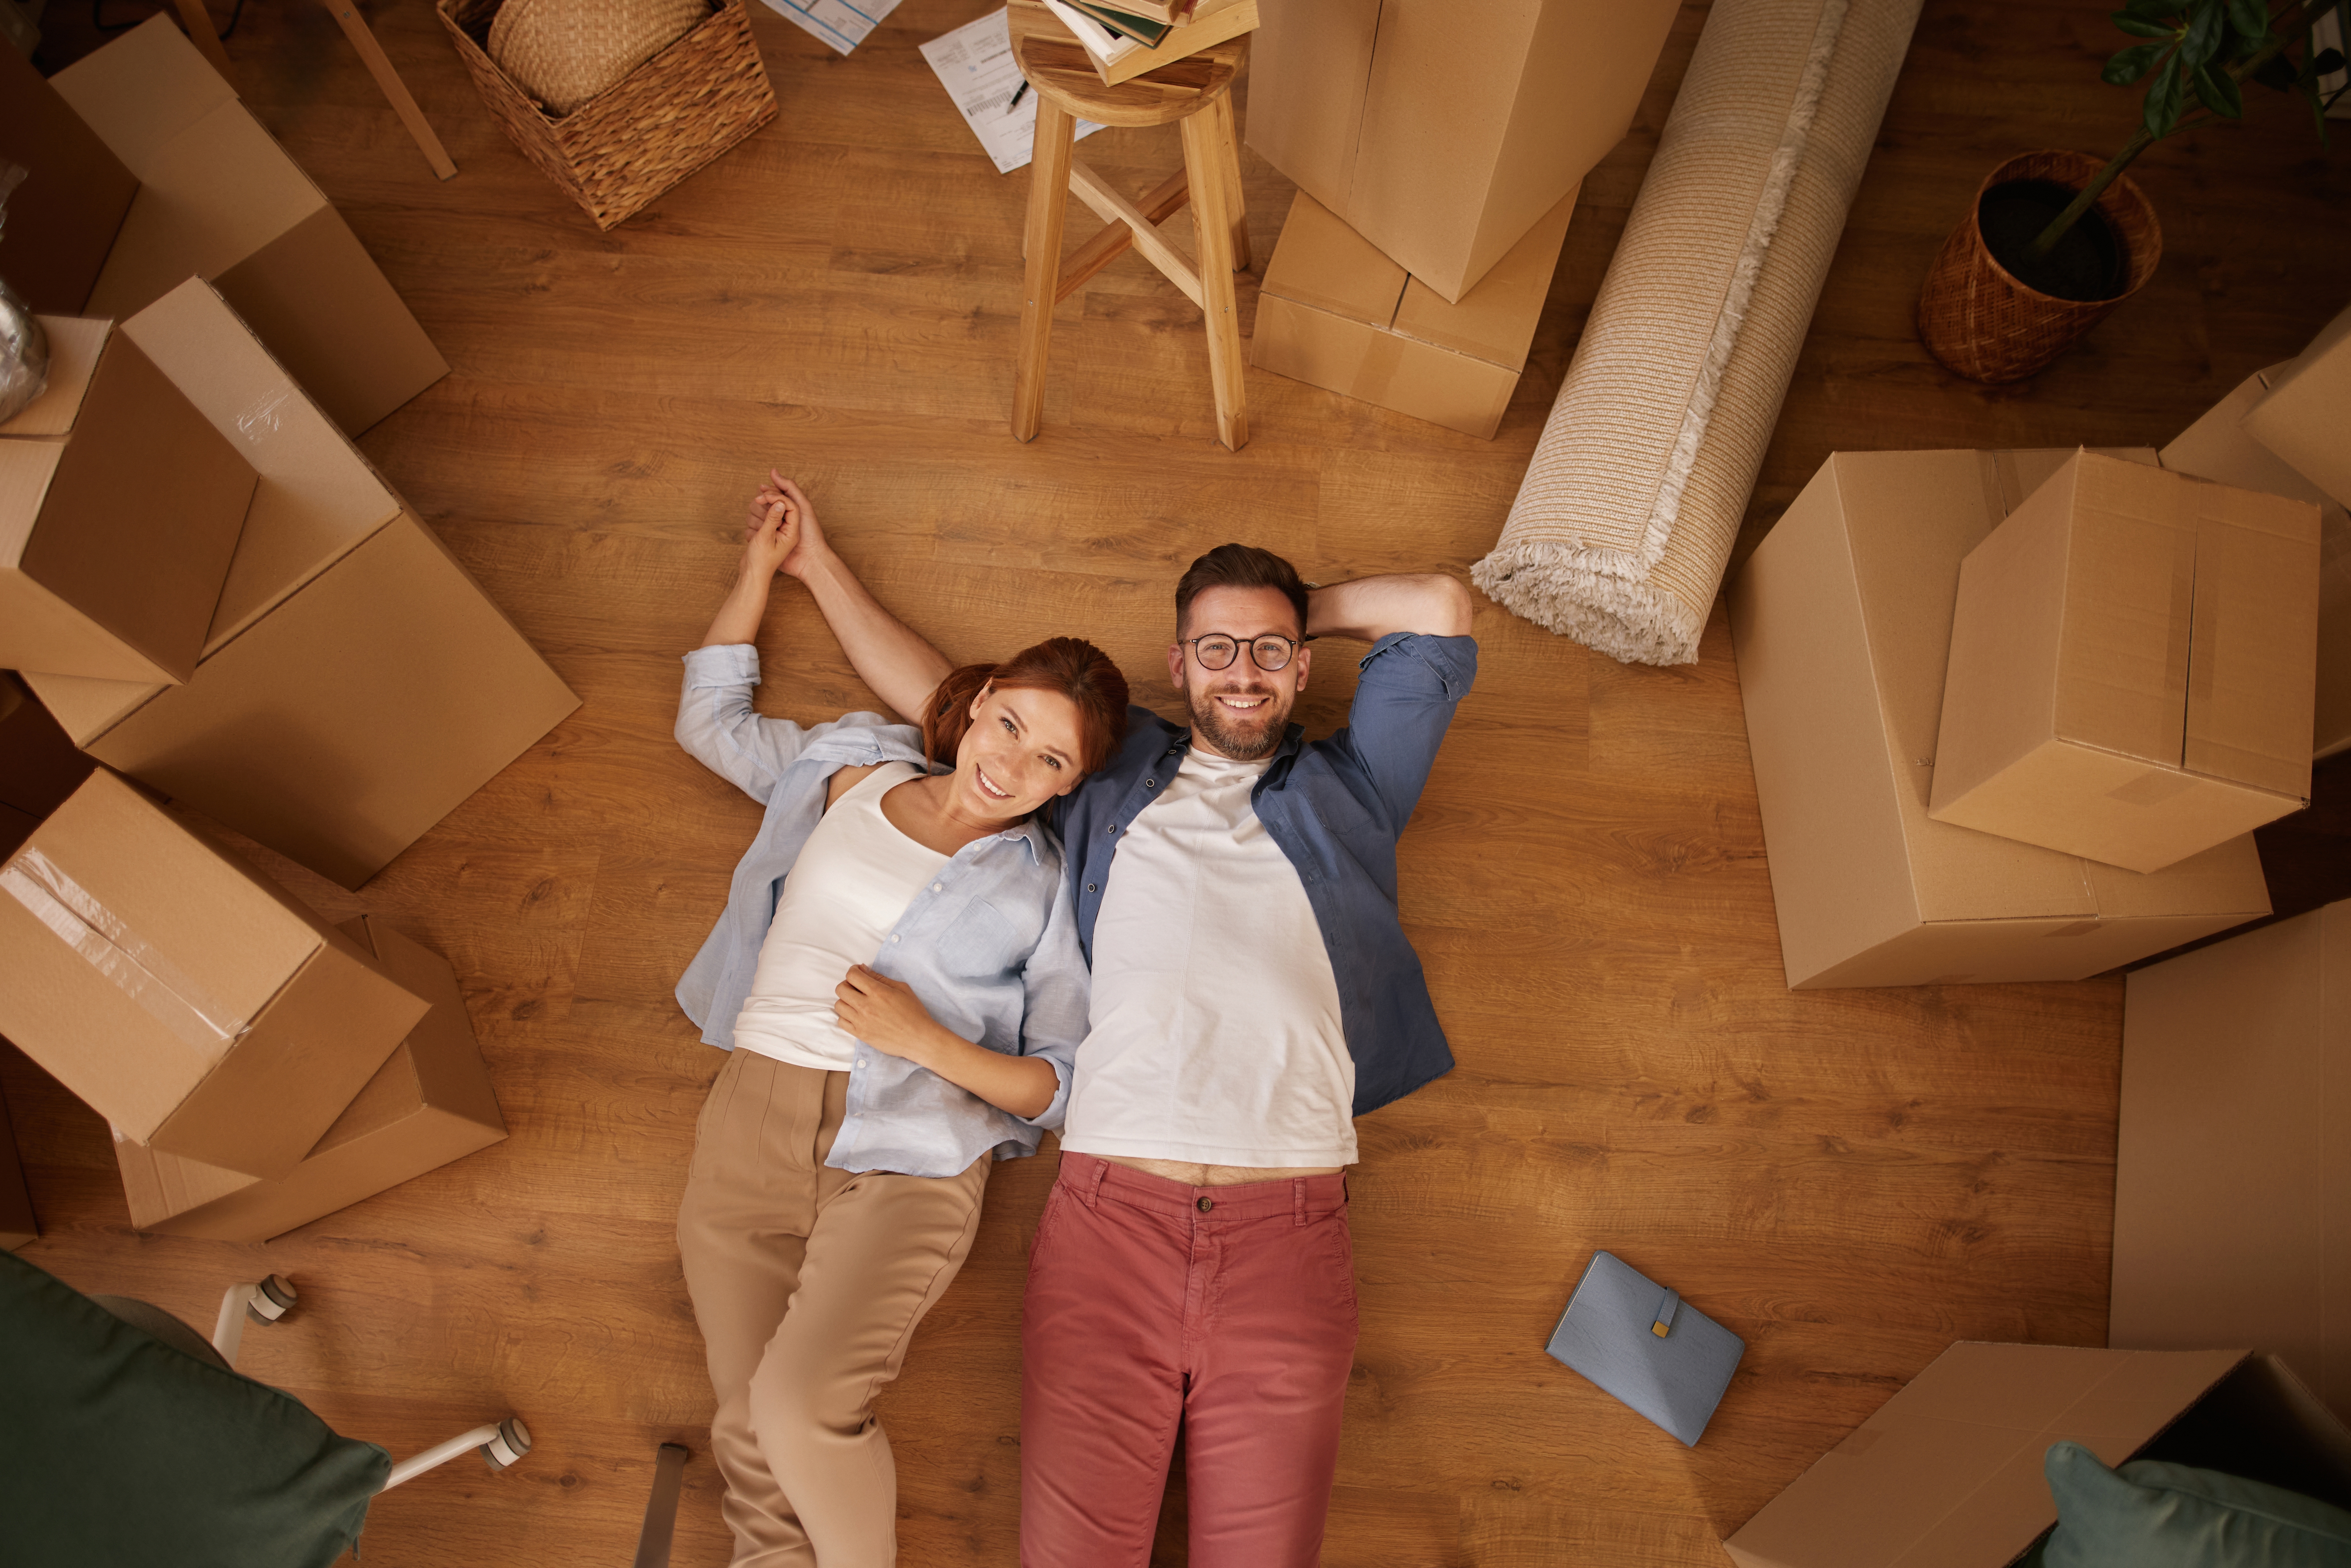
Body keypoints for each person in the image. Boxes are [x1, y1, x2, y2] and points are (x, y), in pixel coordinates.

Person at [746, 473, 1477, 1566]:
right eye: (1214, 651)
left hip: (1290, 1230)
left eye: (1269, 654)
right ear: (1175, 666)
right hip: (1107, 1226)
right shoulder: (1106, 767)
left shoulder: (1357, 785)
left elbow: (1438, 605)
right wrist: (815, 567)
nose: (1242, 673)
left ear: (1305, 668)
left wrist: (1277, 608)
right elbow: (946, 701)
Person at [670, 481, 1130, 1568]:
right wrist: (772, 567)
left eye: (1050, 761)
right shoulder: (850, 771)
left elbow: (1064, 1088)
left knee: (795, 1411)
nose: (1009, 765)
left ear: (1068, 786)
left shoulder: (1041, 889)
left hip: (907, 1158)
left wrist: (930, 1043)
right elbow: (710, 724)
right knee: (748, 1448)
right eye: (1008, 723)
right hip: (749, 1124)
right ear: (974, 708)